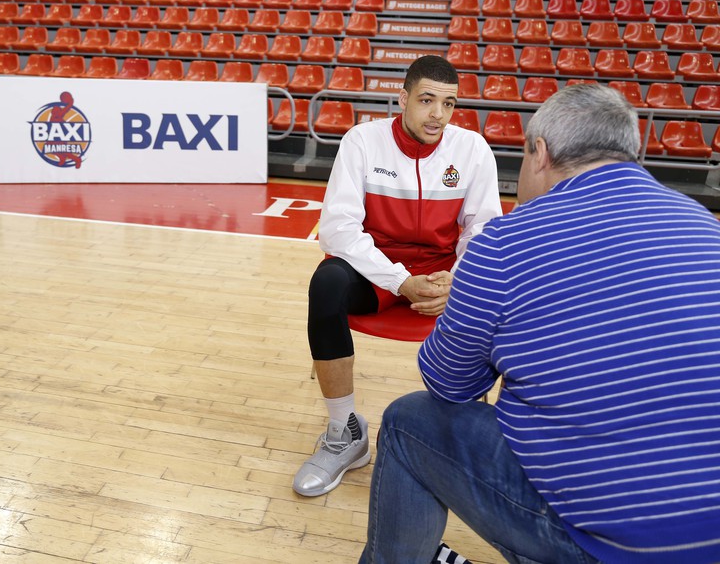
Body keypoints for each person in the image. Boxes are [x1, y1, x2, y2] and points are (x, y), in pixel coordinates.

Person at [359, 83, 720, 563]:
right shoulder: (704, 225)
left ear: (540, 154)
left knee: (410, 421)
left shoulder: (507, 241)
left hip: (610, 547)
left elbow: (448, 384)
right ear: (635, 152)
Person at [293, 55, 502, 497]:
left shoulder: (472, 149)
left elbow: (483, 229)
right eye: (427, 101)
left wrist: (456, 281)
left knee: (498, 293)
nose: (438, 115)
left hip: (444, 274)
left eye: (448, 104)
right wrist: (400, 281)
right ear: (402, 98)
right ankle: (344, 432)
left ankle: (466, 440)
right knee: (327, 285)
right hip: (379, 271)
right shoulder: (363, 141)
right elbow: (337, 228)